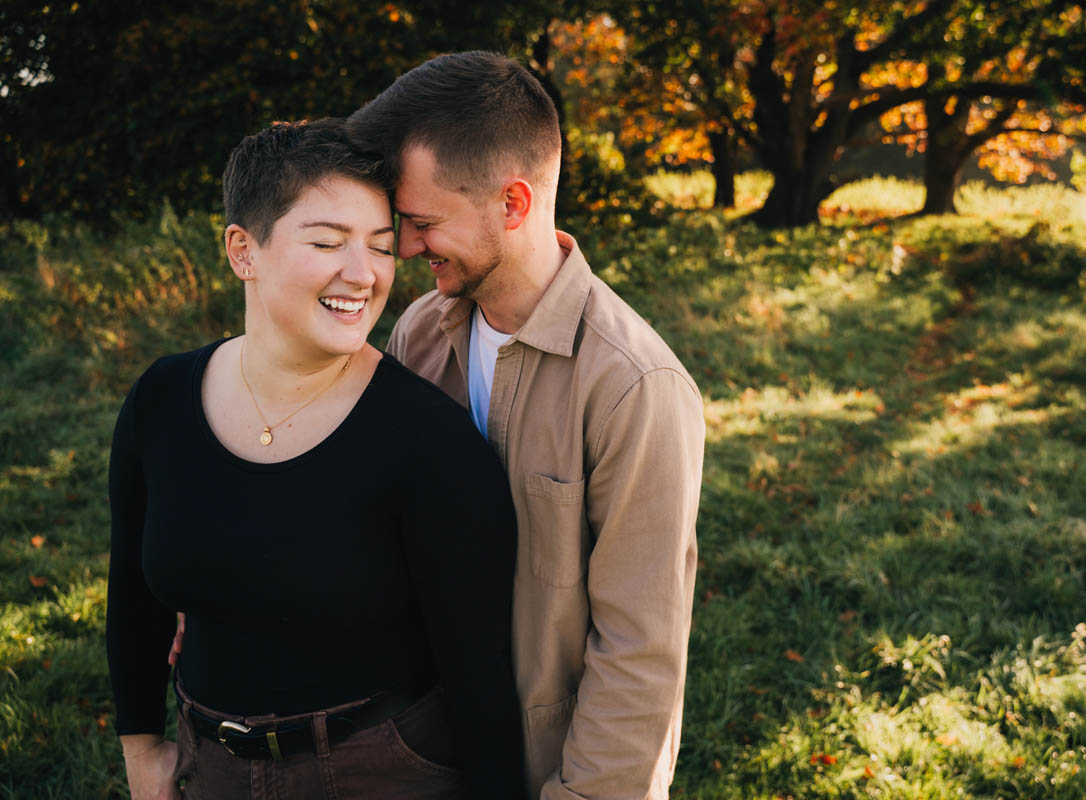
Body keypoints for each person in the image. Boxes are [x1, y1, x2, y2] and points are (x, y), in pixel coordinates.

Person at [106, 117, 525, 800]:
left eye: (382, 247)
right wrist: (143, 750)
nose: (363, 274)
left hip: (379, 773)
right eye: (328, 241)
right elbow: (133, 595)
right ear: (244, 250)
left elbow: (480, 681)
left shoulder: (429, 444)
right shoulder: (161, 401)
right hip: (203, 768)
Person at [346, 51, 707, 799]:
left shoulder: (634, 387)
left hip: (547, 770)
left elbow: (640, 653)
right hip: (422, 755)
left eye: (421, 222)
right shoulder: (418, 335)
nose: (405, 249)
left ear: (512, 203)